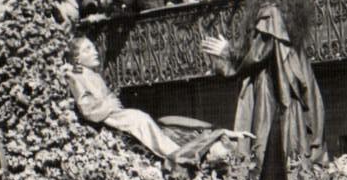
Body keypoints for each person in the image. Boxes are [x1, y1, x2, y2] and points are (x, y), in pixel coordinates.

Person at [201, 0, 325, 159]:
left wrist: (228, 51)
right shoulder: (282, 11)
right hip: (277, 79)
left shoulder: (271, 14)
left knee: (270, 138)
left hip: (274, 86)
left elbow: (258, 54)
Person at [68, 37, 231, 164]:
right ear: (76, 58)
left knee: (146, 120)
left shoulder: (93, 75)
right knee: (141, 120)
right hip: (108, 116)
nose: (95, 51)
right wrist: (110, 104)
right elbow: (87, 108)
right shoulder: (76, 76)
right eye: (87, 49)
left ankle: (179, 152)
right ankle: (176, 154)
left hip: (114, 112)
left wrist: (112, 102)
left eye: (93, 47)